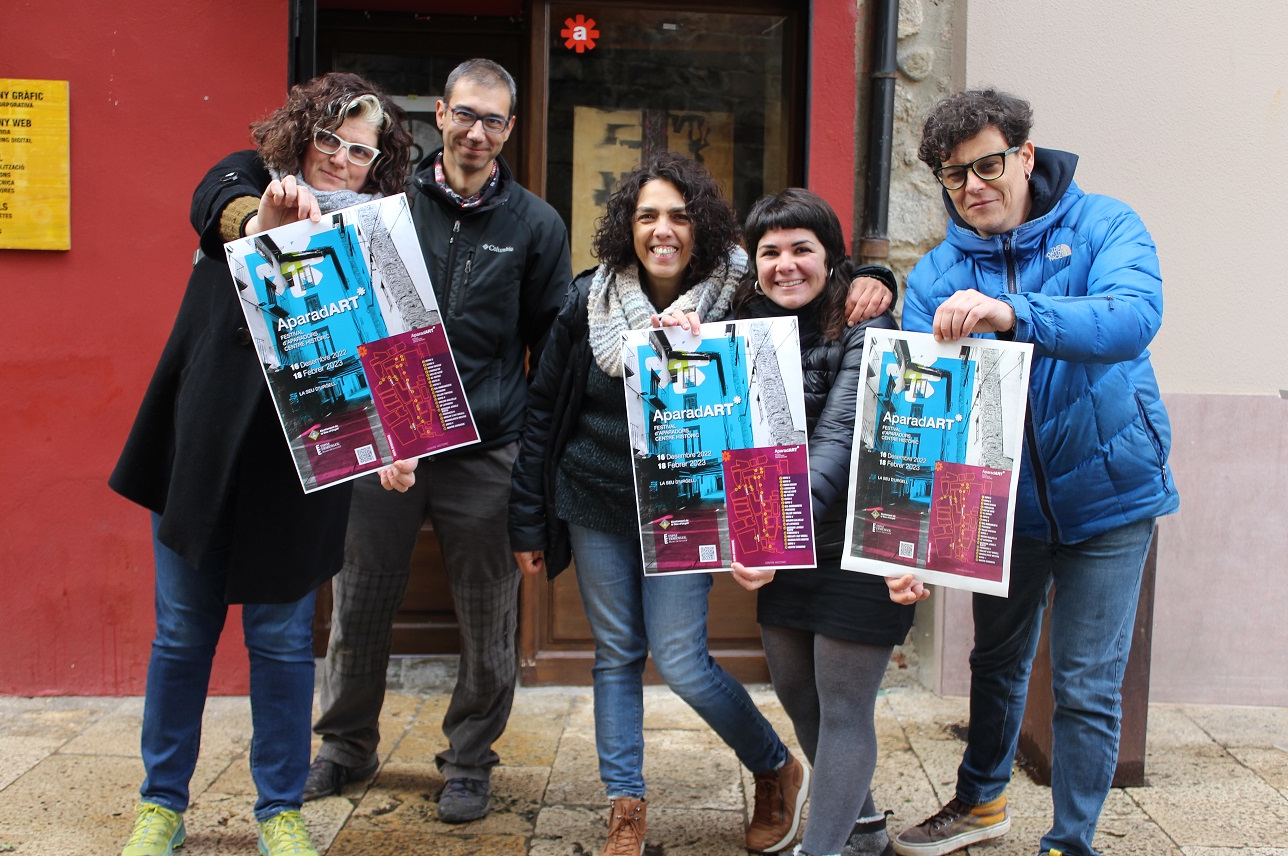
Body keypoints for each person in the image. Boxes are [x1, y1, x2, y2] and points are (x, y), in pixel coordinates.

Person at [109, 73, 418, 856]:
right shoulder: (249, 176)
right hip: (203, 451)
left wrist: (398, 438)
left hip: (305, 465)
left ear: (376, 164)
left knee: (281, 644)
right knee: (182, 635)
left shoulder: (375, 235)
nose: (341, 159)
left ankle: (280, 808)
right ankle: (161, 805)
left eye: (360, 151)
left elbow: (395, 341)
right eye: (330, 139)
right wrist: (263, 223)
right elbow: (216, 203)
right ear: (303, 132)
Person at [877, 89, 1180, 856]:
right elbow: (923, 415)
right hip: (1001, 508)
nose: (973, 185)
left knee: (1085, 683)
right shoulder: (936, 276)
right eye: (954, 175)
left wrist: (1015, 313)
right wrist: (908, 541)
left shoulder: (1104, 224)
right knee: (996, 663)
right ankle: (981, 804)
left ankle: (1071, 842)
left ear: (1025, 156)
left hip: (1110, 494)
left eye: (987, 164)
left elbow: (1132, 317)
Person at [508, 153, 809, 856]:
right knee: (615, 654)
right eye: (647, 216)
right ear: (628, 226)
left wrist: (878, 282)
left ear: (700, 226)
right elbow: (543, 410)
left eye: (678, 215)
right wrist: (527, 519)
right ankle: (626, 806)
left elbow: (818, 291)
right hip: (595, 500)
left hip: (687, 503)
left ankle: (774, 765)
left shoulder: (741, 299)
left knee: (679, 659)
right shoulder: (589, 300)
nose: (662, 230)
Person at [304, 58, 573, 823]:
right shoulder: (384, 204)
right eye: (465, 114)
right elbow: (349, 314)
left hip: (485, 449)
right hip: (385, 439)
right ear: (441, 116)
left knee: (488, 614)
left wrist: (528, 456)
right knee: (360, 600)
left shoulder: (536, 225)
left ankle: (469, 761)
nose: (476, 131)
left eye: (493, 119)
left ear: (508, 129)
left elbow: (549, 348)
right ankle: (345, 747)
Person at [710, 188, 911, 856]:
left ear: (832, 257)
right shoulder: (742, 325)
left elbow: (840, 435)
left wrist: (769, 531)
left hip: (861, 541)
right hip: (788, 544)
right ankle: (866, 830)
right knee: (800, 698)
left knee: (845, 706)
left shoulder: (866, 324)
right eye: (770, 252)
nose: (786, 265)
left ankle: (819, 849)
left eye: (802, 249)